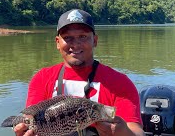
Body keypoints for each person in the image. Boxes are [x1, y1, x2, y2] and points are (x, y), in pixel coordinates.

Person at [13, 9, 144, 136]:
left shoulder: (119, 83)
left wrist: (124, 133)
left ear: (95, 40)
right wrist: (25, 131)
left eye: (83, 36)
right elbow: (30, 117)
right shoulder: (42, 78)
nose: (75, 44)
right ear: (58, 43)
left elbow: (136, 131)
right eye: (67, 37)